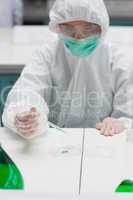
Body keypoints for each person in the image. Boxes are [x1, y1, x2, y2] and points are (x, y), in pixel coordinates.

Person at [2, 0, 133, 139]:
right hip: (54, 144)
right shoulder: (47, 55)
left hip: (104, 143)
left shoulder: (117, 60)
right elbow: (26, 91)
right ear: (57, 27)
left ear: (102, 27)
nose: (79, 38)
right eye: (69, 29)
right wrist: (27, 115)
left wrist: (121, 123)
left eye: (88, 29)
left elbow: (129, 108)